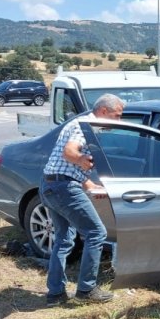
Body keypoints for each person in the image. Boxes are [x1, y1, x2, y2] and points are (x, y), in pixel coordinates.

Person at [41, 93, 124, 307]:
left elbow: (66, 164)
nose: (119, 121)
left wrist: (88, 185)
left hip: (51, 185)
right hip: (63, 188)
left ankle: (55, 294)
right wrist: (80, 158)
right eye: (117, 116)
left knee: (64, 239)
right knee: (97, 232)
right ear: (104, 111)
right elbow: (70, 152)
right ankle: (86, 290)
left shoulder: (80, 123)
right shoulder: (84, 125)